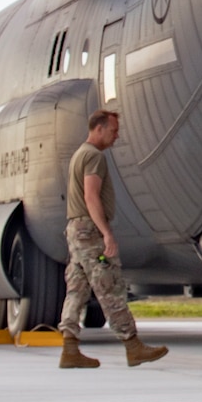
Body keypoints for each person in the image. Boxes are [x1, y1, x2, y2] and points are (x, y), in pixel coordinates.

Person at [58, 110, 167, 370]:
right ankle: (132, 345)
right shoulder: (94, 157)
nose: (116, 136)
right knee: (110, 285)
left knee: (77, 288)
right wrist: (106, 232)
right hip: (88, 230)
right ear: (98, 129)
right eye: (113, 130)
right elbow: (91, 196)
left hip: (75, 228)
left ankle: (70, 347)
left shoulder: (80, 155)